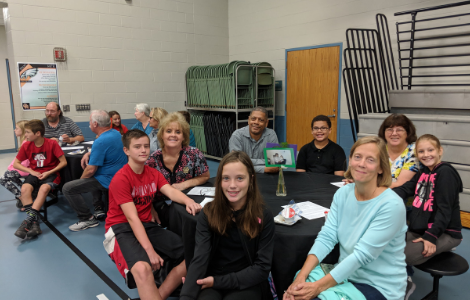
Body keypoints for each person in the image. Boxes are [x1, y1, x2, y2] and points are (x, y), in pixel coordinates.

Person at [284, 136, 407, 300]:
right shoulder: (343, 193)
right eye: (357, 157)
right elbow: (327, 236)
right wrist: (302, 277)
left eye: (370, 159)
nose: (361, 163)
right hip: (345, 273)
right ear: (350, 160)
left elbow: (361, 256)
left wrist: (316, 288)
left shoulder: (392, 205)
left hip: (377, 284)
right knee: (297, 284)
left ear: (381, 168)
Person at [104, 129, 200, 300]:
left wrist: (188, 201)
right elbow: (132, 219)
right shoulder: (121, 178)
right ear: (126, 150)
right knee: (143, 268)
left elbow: (170, 191)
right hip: (121, 228)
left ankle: (159, 295)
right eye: (137, 147)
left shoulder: (153, 173)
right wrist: (149, 251)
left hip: (146, 225)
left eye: (146, 146)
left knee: (191, 254)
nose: (143, 150)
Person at [180, 151, 275, 300]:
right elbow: (200, 257)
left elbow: (262, 268)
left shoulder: (264, 215)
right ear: (219, 180)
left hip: (246, 281)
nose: (232, 185)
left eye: (239, 178)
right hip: (213, 278)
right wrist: (187, 293)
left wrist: (217, 282)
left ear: (251, 179)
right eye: (226, 178)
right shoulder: (209, 213)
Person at [393, 134, 463, 299]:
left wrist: (431, 237)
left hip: (444, 232)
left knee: (404, 254)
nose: (426, 154)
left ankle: (405, 285)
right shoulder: (423, 172)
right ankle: (395, 281)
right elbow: (406, 188)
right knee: (389, 245)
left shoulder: (445, 172)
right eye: (421, 151)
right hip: (420, 229)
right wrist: (378, 194)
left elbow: (445, 210)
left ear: (440, 151)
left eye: (430, 150)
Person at [63, 110, 128, 232]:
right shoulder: (115, 133)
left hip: (108, 179)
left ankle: (87, 218)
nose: (89, 124)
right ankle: (97, 208)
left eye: (89, 122)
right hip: (120, 176)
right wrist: (90, 153)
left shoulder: (101, 140)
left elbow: (90, 170)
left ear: (95, 124)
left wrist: (80, 182)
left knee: (68, 188)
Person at [146, 112, 209, 227]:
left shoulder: (194, 154)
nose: (173, 135)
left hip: (188, 201)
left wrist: (184, 184)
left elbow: (205, 176)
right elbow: (143, 189)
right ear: (162, 135)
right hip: (161, 205)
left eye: (178, 132)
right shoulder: (152, 160)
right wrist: (149, 209)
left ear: (184, 136)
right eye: (168, 131)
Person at [13, 120, 67, 239]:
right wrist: (31, 171)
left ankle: (28, 222)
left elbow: (63, 162)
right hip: (35, 173)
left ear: (37, 133)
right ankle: (34, 224)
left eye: (27, 132)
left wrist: (49, 172)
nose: (25, 135)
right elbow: (16, 163)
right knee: (25, 188)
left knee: (43, 189)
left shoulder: (52, 144)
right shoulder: (26, 145)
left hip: (51, 174)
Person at [229, 106, 279, 174]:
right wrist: (264, 168)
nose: (256, 122)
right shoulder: (237, 136)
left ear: (266, 123)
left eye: (261, 120)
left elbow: (275, 164)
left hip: (266, 177)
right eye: (253, 119)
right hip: (243, 176)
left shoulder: (271, 135)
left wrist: (247, 162)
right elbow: (237, 164)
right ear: (249, 120)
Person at [378, 114, 419, 188]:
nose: (394, 133)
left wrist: (367, 185)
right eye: (390, 129)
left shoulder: (415, 152)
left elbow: (399, 184)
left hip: (401, 197)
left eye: (399, 130)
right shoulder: (378, 150)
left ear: (408, 133)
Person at [1, 120, 30, 209]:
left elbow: (26, 162)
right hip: (23, 168)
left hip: (27, 169)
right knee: (7, 174)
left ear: (23, 130)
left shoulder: (26, 143)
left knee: (2, 179)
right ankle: (25, 194)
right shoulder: (23, 141)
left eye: (16, 128)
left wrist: (14, 168)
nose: (15, 130)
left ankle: (21, 197)